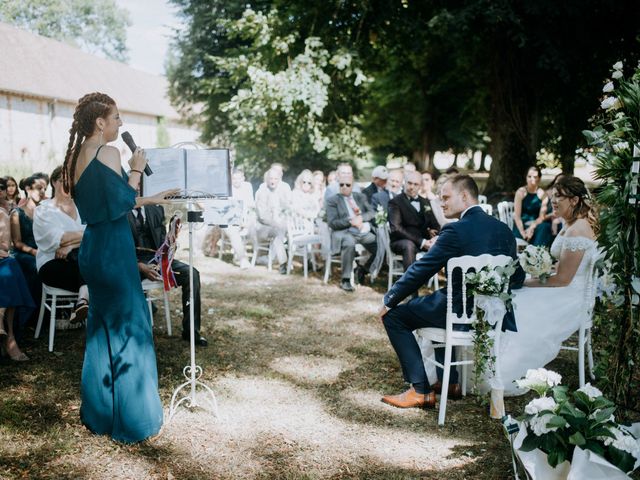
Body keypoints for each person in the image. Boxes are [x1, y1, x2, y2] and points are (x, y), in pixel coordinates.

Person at [62, 92, 177, 443]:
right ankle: (134, 418)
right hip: (114, 248)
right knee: (130, 325)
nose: (120, 124)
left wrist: (155, 198)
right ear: (100, 122)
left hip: (94, 246)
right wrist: (138, 169)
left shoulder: (75, 156)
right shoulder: (109, 152)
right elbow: (122, 199)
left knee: (102, 327)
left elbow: (109, 204)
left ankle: (100, 412)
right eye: (116, 118)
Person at [378, 175, 524, 409]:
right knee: (439, 310)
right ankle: (451, 382)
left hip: (457, 310)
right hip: (492, 317)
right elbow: (518, 277)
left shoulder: (454, 230)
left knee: (395, 317)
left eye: (446, 197)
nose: (441, 203)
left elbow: (421, 270)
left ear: (464, 196)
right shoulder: (504, 230)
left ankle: (420, 390)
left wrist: (390, 298)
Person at [499, 176, 598, 394]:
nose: (553, 201)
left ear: (573, 200)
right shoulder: (570, 224)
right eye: (552, 196)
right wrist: (538, 271)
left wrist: (528, 281)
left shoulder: (577, 230)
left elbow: (562, 279)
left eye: (558, 197)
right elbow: (559, 269)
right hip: (565, 288)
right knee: (517, 297)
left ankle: (505, 370)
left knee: (519, 303)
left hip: (571, 297)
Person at [127, 203, 208, 346]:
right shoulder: (119, 210)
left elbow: (162, 242)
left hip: (157, 261)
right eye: (136, 184)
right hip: (130, 264)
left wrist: (171, 244)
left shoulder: (155, 208)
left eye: (142, 184)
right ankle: (133, 333)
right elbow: (116, 248)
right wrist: (139, 266)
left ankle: (191, 331)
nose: (139, 187)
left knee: (192, 274)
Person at [33, 166, 89, 325]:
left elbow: (100, 236)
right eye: (63, 180)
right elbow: (58, 239)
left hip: (82, 260)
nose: (67, 184)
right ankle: (86, 302)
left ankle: (83, 301)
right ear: (53, 182)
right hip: (52, 264)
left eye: (71, 181)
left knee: (97, 269)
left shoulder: (83, 207)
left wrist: (70, 247)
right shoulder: (44, 210)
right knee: (99, 274)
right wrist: (84, 236)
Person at [326, 170, 377, 291]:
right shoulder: (333, 200)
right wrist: (350, 221)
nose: (344, 187)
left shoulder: (360, 196)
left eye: (347, 185)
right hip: (344, 232)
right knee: (349, 241)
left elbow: (371, 212)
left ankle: (364, 269)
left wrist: (360, 218)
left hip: (360, 232)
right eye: (341, 184)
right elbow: (332, 223)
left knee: (379, 243)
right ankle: (346, 279)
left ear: (352, 185)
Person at [0, 196, 33, 361]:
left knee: (9, 267)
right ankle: (6, 335)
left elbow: (5, 247)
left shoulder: (2, 215)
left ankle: (8, 333)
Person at [388, 171, 440, 271]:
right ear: (404, 183)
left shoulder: (425, 202)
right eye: (409, 183)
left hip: (424, 241)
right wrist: (421, 241)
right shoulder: (395, 202)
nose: (412, 187)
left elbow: (435, 225)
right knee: (409, 245)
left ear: (420, 186)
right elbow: (396, 228)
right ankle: (408, 283)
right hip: (401, 241)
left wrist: (434, 238)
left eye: (415, 184)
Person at [10, 175, 45, 313]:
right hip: (23, 253)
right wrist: (35, 252)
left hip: (42, 251)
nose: (42, 192)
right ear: (28, 189)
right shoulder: (16, 213)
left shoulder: (45, 212)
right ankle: (31, 314)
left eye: (44, 189)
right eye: (39, 188)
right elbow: (17, 242)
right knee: (36, 265)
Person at [254, 167, 289, 274]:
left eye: (275, 179)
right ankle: (283, 262)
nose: (273, 181)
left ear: (279, 180)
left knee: (286, 231)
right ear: (267, 179)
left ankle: (278, 259)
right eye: (271, 178)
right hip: (262, 227)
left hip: (277, 225)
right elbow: (262, 216)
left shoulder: (280, 191)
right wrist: (276, 223)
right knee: (279, 232)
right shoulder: (262, 192)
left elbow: (287, 208)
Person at [513, 166, 552, 246]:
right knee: (520, 238)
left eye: (535, 177)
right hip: (521, 225)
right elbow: (517, 216)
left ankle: (537, 253)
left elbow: (541, 217)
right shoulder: (520, 192)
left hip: (536, 224)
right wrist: (523, 232)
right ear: (526, 178)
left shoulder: (543, 194)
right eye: (529, 176)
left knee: (545, 227)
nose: (532, 179)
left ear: (539, 178)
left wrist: (532, 227)